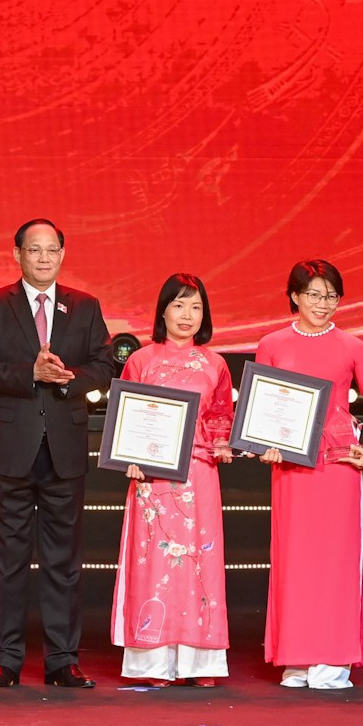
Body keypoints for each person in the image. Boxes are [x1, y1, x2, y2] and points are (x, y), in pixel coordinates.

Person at [0, 219, 114, 689]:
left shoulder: (85, 306)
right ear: (18, 254)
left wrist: (68, 378)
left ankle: (62, 659)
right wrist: (29, 373)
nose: (44, 257)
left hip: (65, 450)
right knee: (7, 560)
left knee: (63, 561)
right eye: (35, 249)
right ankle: (6, 659)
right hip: (11, 449)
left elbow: (104, 364)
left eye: (52, 250)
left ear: (62, 255)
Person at [256, 259, 363, 690]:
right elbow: (265, 406)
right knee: (295, 562)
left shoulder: (352, 346)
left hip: (338, 464)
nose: (323, 303)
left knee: (335, 564)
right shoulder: (272, 344)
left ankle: (333, 660)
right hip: (292, 467)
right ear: (295, 296)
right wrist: (263, 444)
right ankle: (296, 659)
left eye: (331, 296)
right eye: (314, 294)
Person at [111, 273, 235, 686]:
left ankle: (200, 664)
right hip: (153, 477)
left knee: (200, 563)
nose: (187, 315)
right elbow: (126, 416)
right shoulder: (141, 360)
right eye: (179, 305)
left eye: (196, 307)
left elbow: (220, 415)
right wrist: (129, 457)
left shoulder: (215, 364)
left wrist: (222, 443)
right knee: (154, 564)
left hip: (199, 474)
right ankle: (153, 663)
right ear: (162, 311)